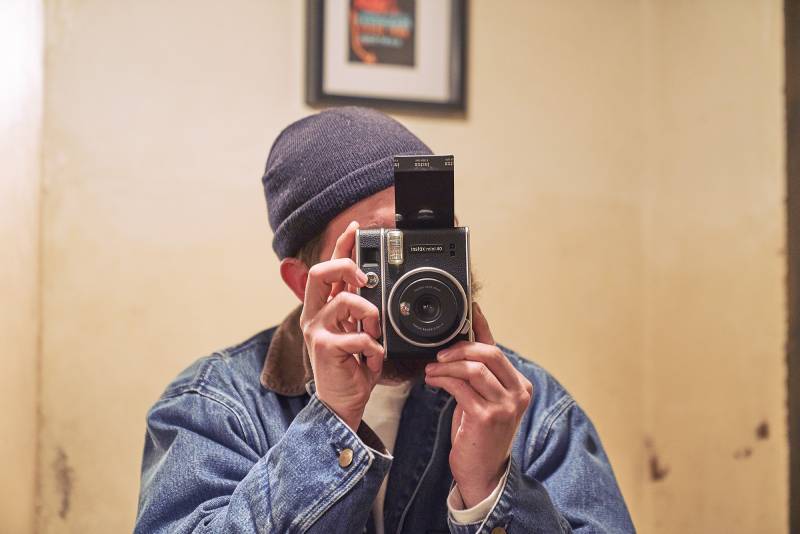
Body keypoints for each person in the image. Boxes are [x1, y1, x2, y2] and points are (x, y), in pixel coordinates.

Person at [134, 107, 635, 533]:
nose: (416, 278)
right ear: (303, 282)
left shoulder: (526, 407)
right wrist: (329, 425)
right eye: (381, 252)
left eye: (431, 244)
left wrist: (491, 489)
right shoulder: (217, 406)